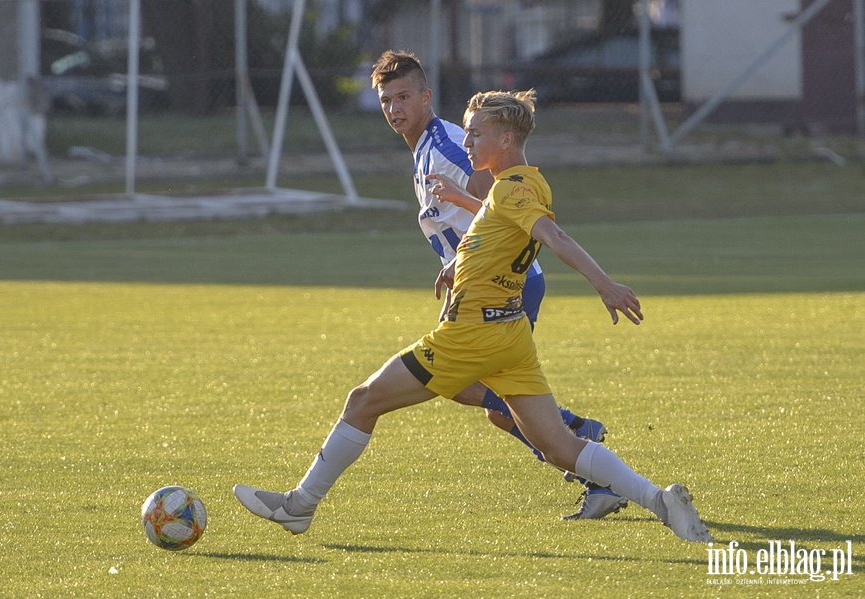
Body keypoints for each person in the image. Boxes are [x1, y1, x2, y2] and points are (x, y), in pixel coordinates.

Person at [234, 89, 713, 544]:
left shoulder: (515, 189)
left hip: (474, 334)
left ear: (505, 139)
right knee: (558, 448)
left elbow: (555, 237)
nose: (466, 142)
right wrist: (457, 267)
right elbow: (495, 234)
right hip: (508, 336)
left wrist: (605, 285)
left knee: (363, 400)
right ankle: (661, 502)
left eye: (475, 133)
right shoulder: (513, 187)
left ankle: (301, 504)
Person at [365, 50, 625, 520]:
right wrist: (456, 261)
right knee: (493, 404)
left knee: (467, 389)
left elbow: (501, 196)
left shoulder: (445, 144)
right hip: (480, 285)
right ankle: (589, 464)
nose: (395, 108)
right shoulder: (426, 146)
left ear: (427, 96)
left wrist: (463, 227)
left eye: (404, 96)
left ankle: (577, 436)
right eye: (386, 99)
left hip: (505, 286)